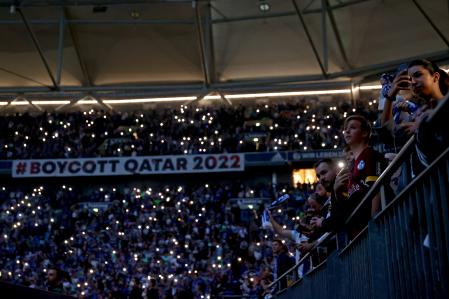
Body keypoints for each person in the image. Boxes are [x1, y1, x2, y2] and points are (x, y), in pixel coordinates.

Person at [335, 115, 385, 238]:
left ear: (364, 133)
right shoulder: (351, 167)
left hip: (371, 228)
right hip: (358, 231)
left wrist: (374, 222)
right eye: (345, 128)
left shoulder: (369, 154)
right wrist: (337, 190)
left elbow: (376, 189)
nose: (347, 131)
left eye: (352, 128)